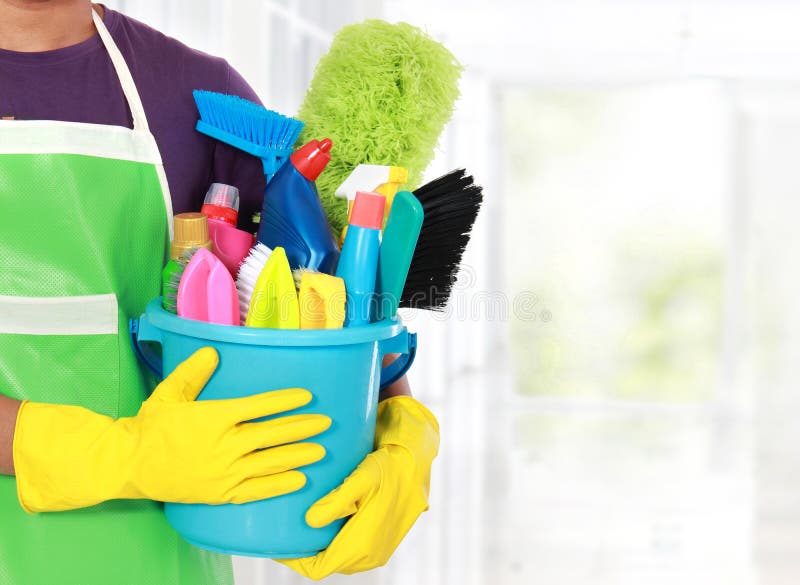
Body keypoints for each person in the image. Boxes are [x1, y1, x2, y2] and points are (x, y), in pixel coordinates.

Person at [0, 1, 440, 583]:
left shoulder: (197, 93)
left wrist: (401, 432)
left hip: (158, 557)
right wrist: (117, 456)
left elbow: (320, 308)